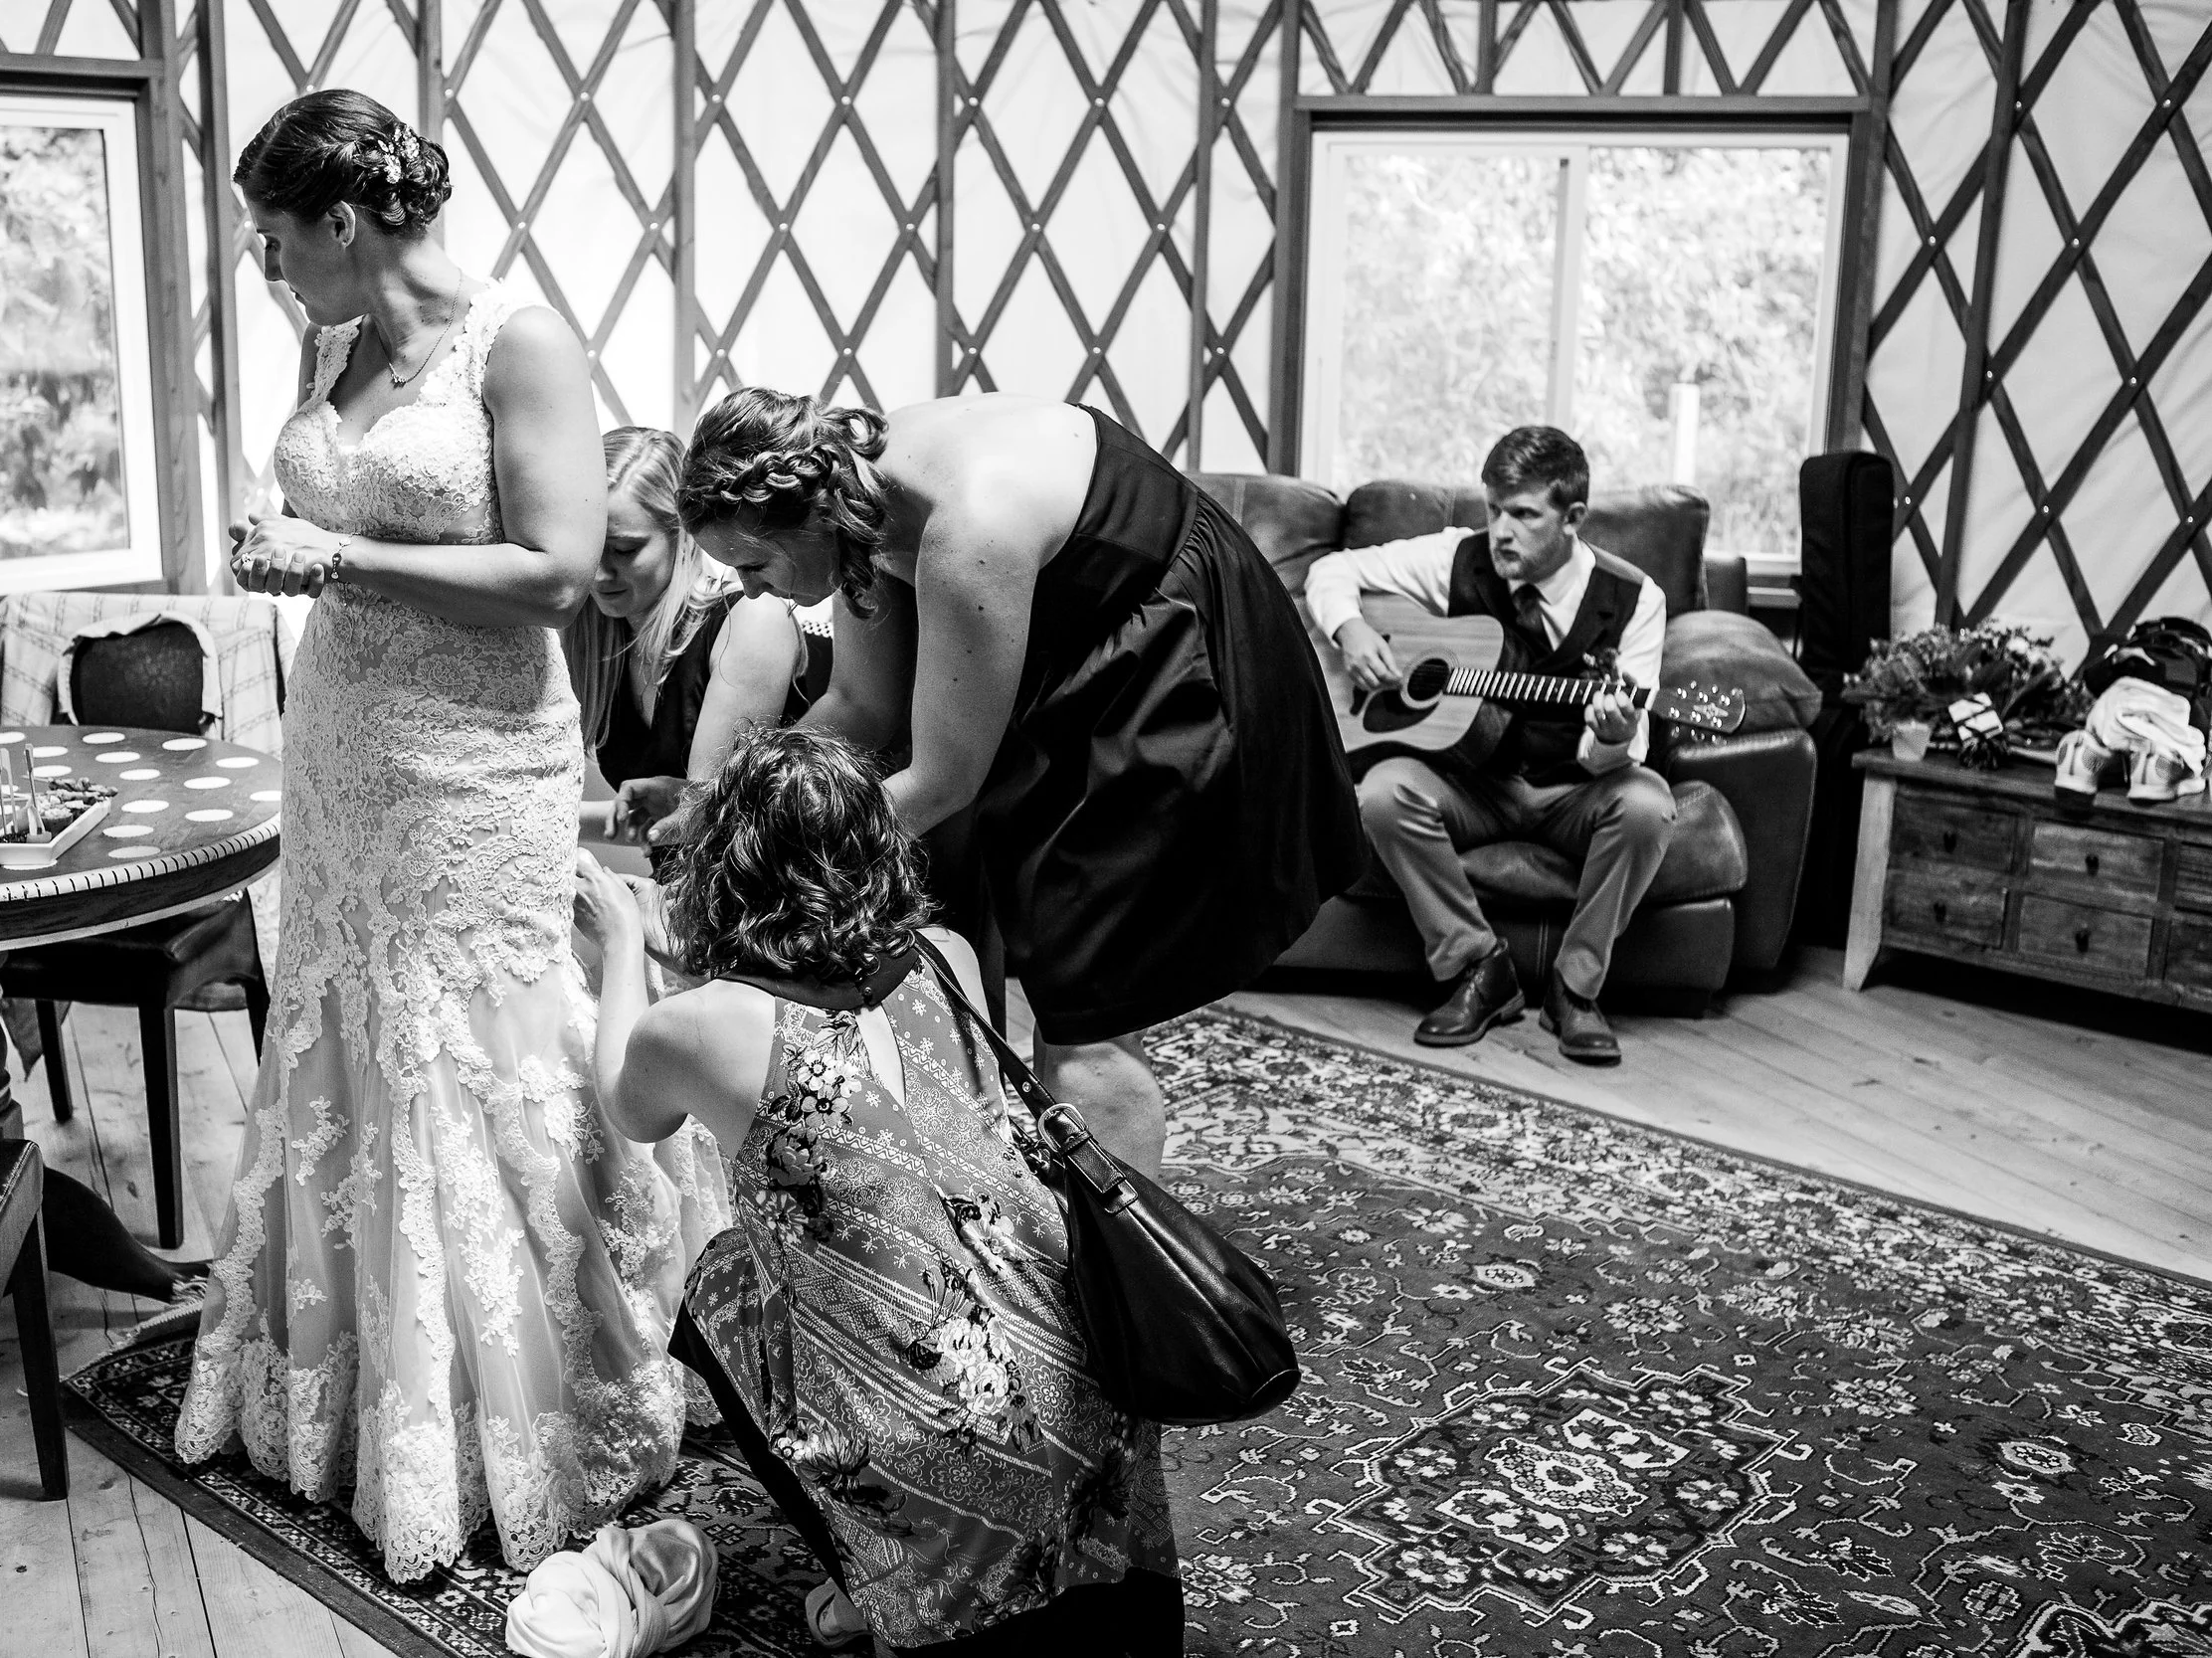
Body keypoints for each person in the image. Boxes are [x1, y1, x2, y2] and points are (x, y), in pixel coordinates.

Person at [176, 90, 703, 1582]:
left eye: (276, 240)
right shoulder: (331, 346)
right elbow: (332, 521)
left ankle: (535, 1394)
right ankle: (348, 1387)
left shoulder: (519, 343)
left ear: (343, 222)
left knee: (482, 1044)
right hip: (344, 746)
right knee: (346, 1023)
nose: (269, 270)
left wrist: (336, 551)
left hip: (476, 759)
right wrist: (284, 552)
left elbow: (558, 570)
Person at [646, 390, 1362, 1180]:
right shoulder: (852, 502)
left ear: (805, 515)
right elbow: (860, 706)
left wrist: (770, 865)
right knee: (1065, 979)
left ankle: (1120, 1250)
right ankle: (1075, 1209)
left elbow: (941, 781)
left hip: (1177, 653)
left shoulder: (968, 526)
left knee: (1086, 1007)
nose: (750, 592)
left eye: (753, 565)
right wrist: (725, 810)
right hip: (1082, 668)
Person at [579, 724, 1182, 1656]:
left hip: (944, 1453)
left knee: (727, 1280)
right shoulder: (948, 953)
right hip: (1095, 1406)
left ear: (727, 869)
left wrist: (624, 943)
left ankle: (879, 1569)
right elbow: (817, 995)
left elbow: (629, 1102)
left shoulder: (698, 1028)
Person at [1302, 425, 1675, 1065]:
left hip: (1574, 789)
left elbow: (1619, 749)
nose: (1501, 531)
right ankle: (1479, 967)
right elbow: (1331, 570)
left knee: (1648, 805)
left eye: (1524, 515)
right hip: (1473, 784)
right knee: (1381, 795)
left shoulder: (1636, 600)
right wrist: (1352, 629)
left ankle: (1575, 989)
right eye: (1494, 509)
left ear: (1573, 519)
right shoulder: (1457, 556)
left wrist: (1613, 736)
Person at [566, 428, 823, 837]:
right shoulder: (601, 644)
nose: (598, 573)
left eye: (625, 550)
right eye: (588, 548)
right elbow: (656, 820)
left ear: (683, 534)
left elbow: (708, 820)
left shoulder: (750, 620)